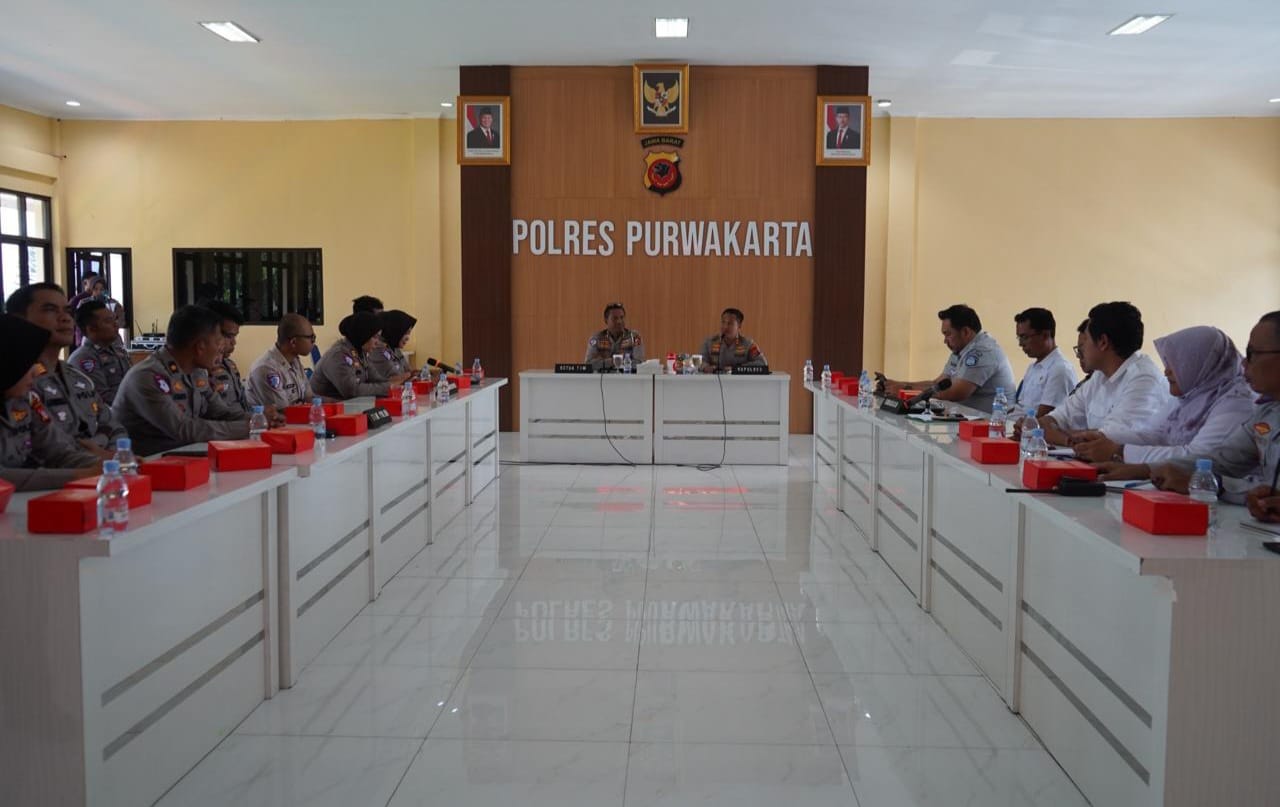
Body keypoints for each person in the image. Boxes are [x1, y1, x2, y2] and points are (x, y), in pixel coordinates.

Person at [1113, 312, 1280, 523]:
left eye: (1253, 353)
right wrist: (1147, 470)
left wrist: (1213, 484)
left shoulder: (1238, 401)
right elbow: (1221, 460)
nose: (1245, 363)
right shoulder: (1267, 413)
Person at [1073, 326, 1254, 465]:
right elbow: (1156, 435)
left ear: (1201, 364)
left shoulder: (1236, 402)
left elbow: (1197, 458)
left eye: (1178, 364)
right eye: (1167, 363)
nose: (1166, 371)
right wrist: (1105, 438)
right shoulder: (1188, 397)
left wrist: (1120, 452)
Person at [114, 306, 273, 456]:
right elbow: (184, 429)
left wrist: (259, 418)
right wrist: (251, 426)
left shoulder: (197, 371)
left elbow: (221, 412)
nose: (221, 349)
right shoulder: (147, 377)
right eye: (218, 342)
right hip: (149, 464)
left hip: (187, 456)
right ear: (200, 347)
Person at [6, 283, 126, 460]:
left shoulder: (78, 377)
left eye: (67, 311)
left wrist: (116, 456)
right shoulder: (15, 383)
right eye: (50, 310)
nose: (65, 319)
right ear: (18, 320)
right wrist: (101, 459)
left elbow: (113, 426)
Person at [1039, 302, 1169, 447]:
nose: (1081, 351)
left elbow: (1107, 441)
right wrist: (1048, 430)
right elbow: (1054, 419)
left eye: (1084, 341)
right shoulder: (1100, 376)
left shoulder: (1144, 379)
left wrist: (1057, 435)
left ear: (1103, 342)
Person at [1, 314, 99, 490]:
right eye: (28, 363)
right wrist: (80, 475)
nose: (35, 372)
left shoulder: (28, 400)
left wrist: (111, 465)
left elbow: (58, 451)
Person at [878, 304, 1015, 413]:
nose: (945, 341)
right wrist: (898, 385)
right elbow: (937, 384)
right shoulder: (961, 349)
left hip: (994, 425)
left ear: (965, 332)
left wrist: (905, 390)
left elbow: (955, 393)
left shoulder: (982, 352)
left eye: (948, 334)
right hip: (971, 420)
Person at [311, 312, 401, 399]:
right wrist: (388, 387)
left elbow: (376, 379)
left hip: (350, 404)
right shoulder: (338, 355)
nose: (377, 343)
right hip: (327, 407)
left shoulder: (360, 353)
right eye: (374, 337)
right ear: (363, 335)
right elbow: (352, 390)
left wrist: (396, 384)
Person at [247, 314, 322, 409]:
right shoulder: (267, 368)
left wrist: (334, 402)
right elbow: (282, 411)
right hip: (278, 418)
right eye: (311, 337)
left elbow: (309, 398)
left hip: (297, 416)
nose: (313, 341)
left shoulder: (294, 361)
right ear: (293, 342)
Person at [1012, 307, 1077, 418]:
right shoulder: (1032, 367)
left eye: (1025, 337)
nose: (1021, 344)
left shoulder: (1060, 370)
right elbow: (1020, 407)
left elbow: (1044, 418)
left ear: (1045, 335)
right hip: (1017, 423)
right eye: (1019, 338)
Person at [68, 299, 133, 406]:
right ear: (91, 329)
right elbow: (102, 398)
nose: (116, 324)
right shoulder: (84, 357)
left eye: (115, 319)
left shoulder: (118, 351)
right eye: (108, 321)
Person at [198, 300, 251, 415]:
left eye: (235, 336)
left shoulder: (230, 366)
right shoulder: (199, 370)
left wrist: (259, 415)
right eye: (229, 336)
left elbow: (241, 406)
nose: (233, 342)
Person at [700, 308, 766, 373]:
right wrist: (705, 367)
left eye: (730, 323)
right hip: (714, 379)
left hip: (739, 379)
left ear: (739, 326)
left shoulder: (748, 344)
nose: (725, 326)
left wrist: (737, 368)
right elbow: (700, 361)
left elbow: (762, 363)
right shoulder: (709, 342)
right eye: (723, 322)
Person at [585, 302, 644, 371]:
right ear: (606, 320)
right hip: (604, 377)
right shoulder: (596, 338)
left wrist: (614, 361)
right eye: (615, 318)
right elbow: (588, 364)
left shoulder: (634, 337)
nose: (619, 321)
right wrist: (612, 361)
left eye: (622, 317)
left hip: (627, 376)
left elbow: (639, 363)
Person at [366, 310, 416, 382]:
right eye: (405, 333)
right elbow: (393, 379)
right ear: (395, 330)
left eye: (409, 333)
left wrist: (416, 374)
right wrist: (409, 375)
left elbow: (407, 370)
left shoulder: (395, 348)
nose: (408, 338)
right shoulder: (377, 350)